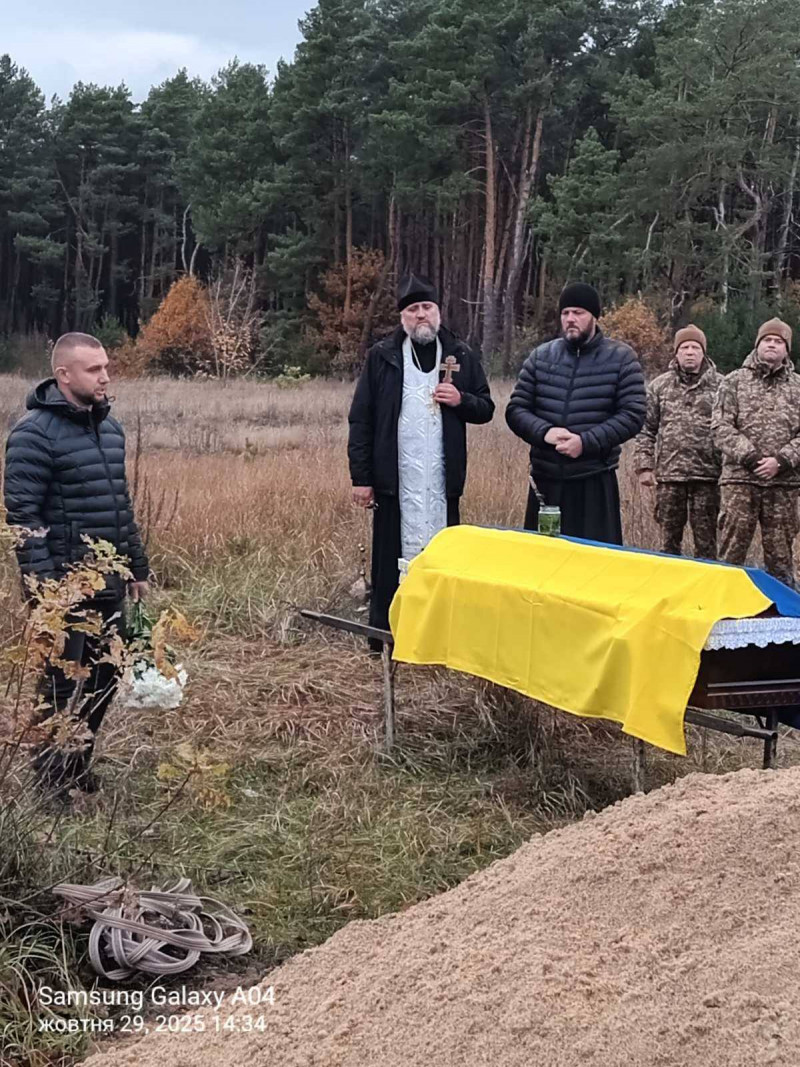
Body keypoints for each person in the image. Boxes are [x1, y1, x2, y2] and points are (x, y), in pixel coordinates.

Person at [4, 332, 150, 795]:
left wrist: (136, 567)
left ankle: (76, 763)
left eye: (106, 367)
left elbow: (118, 505)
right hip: (64, 588)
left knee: (106, 676)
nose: (105, 376)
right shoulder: (33, 434)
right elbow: (23, 519)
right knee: (59, 688)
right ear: (63, 375)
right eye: (93, 369)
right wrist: (47, 593)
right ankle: (49, 783)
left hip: (109, 581)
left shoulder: (110, 429)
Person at [348, 273, 494, 641]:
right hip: (395, 481)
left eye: (427, 307)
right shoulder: (382, 357)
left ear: (438, 312)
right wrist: (361, 478)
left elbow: (486, 407)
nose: (421, 315)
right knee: (389, 560)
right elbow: (361, 418)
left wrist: (462, 401)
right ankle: (387, 635)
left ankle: (441, 636)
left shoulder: (459, 353)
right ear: (403, 317)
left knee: (444, 557)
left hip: (442, 482)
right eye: (413, 310)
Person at [505, 282, 646, 543]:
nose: (570, 319)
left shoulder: (621, 359)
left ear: (594, 316)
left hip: (593, 481)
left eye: (578, 313)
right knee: (542, 565)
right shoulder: (541, 357)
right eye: (565, 313)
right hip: (545, 482)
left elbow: (633, 414)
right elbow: (516, 410)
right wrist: (545, 432)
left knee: (594, 568)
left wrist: (586, 442)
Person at [712, 317, 800, 587]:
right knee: (730, 556)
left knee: (781, 560)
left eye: (778, 341)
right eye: (767, 340)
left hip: (783, 485)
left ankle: (785, 618)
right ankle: (721, 610)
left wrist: (782, 460)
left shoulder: (797, 386)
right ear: (757, 345)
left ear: (786, 349)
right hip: (740, 482)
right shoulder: (733, 382)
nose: (771, 345)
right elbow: (719, 426)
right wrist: (750, 457)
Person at [635, 324, 722, 558]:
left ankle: (705, 591)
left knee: (706, 546)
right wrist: (645, 466)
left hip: (708, 477)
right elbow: (646, 429)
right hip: (669, 477)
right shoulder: (659, 386)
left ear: (704, 352)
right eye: (684, 347)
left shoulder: (723, 386)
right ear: (676, 352)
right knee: (668, 545)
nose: (690, 352)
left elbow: (730, 431)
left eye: (695, 347)